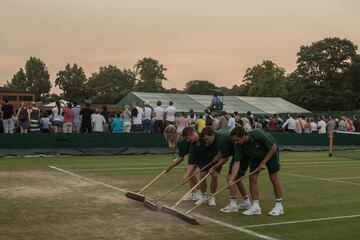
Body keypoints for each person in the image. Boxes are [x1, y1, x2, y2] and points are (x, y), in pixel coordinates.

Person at [229, 126, 283, 216]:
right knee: (252, 177)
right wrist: (232, 179)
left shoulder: (257, 134)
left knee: (273, 177)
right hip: (255, 155)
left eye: (237, 140)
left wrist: (263, 162)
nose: (235, 142)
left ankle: (279, 205)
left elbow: (273, 147)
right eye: (234, 140)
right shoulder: (238, 145)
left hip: (271, 153)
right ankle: (256, 206)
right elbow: (236, 162)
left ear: (243, 136)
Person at [201, 127, 252, 213]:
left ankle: (233, 205)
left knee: (230, 177)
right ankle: (246, 201)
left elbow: (225, 158)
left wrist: (213, 167)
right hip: (237, 152)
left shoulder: (221, 140)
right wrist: (218, 155)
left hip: (242, 154)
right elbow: (224, 150)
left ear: (212, 135)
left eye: (207, 139)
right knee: (237, 178)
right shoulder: (218, 138)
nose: (206, 141)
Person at [182, 127, 222, 206]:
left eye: (188, 138)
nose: (188, 140)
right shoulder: (193, 145)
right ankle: (203, 196)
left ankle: (211, 196)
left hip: (215, 159)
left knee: (214, 176)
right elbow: (191, 163)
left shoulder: (205, 135)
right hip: (204, 160)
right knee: (202, 175)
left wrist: (218, 155)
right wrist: (186, 176)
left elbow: (220, 144)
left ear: (192, 134)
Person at [163, 125, 201, 201]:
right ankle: (193, 193)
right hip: (194, 153)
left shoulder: (181, 141)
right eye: (167, 136)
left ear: (173, 134)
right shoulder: (179, 140)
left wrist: (170, 166)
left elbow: (181, 158)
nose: (168, 138)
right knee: (188, 171)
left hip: (198, 152)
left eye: (169, 136)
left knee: (188, 171)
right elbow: (181, 155)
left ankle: (201, 192)